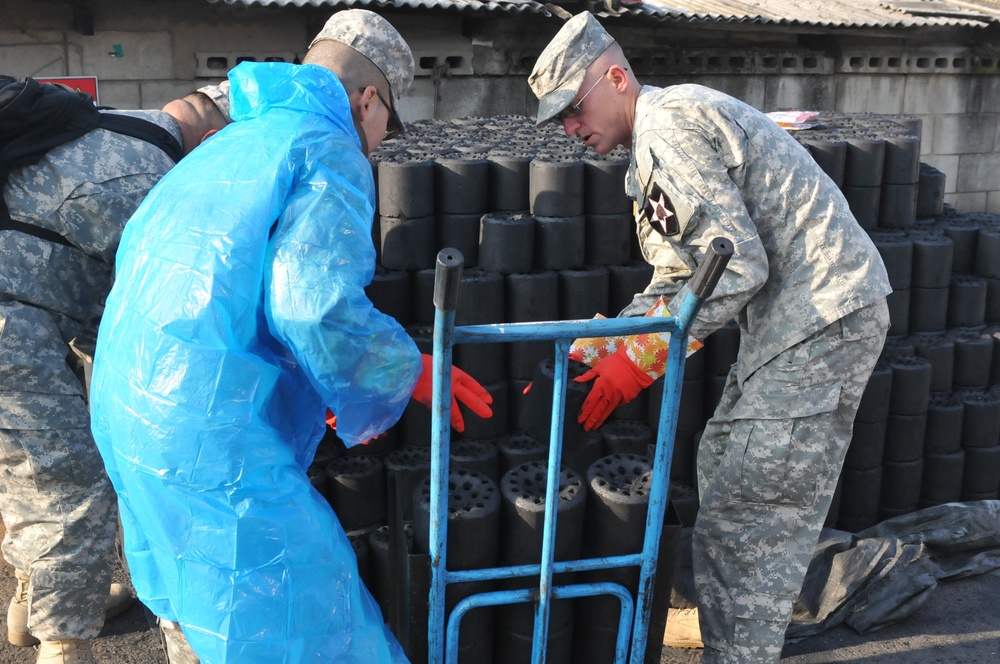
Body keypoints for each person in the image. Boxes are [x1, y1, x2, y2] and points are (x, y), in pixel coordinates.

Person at [88, 9, 493, 664]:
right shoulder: (326, 148)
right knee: (306, 629)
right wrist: (400, 371)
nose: (382, 139)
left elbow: (224, 286)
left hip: (127, 410)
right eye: (388, 118)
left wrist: (314, 379)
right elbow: (309, 303)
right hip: (206, 435)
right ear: (368, 99)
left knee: (203, 614)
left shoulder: (226, 144)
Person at [529, 12, 891, 664]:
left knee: (747, 515)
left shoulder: (667, 126)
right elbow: (681, 275)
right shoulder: (648, 158)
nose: (570, 128)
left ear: (616, 76)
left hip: (822, 319)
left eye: (574, 109)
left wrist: (644, 356)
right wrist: (608, 344)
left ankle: (739, 653)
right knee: (722, 463)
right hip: (794, 323)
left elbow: (737, 265)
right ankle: (733, 635)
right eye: (558, 120)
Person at [0, 80, 229, 664]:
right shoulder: (145, 175)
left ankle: (29, 611)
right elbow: (171, 307)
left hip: (26, 312)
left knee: (26, 474)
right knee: (67, 487)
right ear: (210, 140)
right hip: (10, 330)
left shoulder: (104, 128)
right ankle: (62, 646)